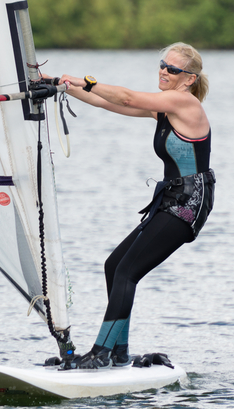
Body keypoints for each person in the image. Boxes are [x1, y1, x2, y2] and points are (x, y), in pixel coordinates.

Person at [49, 42, 215, 369]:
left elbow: (126, 96)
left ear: (189, 79)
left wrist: (85, 80)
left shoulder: (184, 102)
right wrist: (61, 86)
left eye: (173, 69)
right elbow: (110, 104)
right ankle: (119, 351)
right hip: (170, 200)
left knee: (127, 271)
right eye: (162, 65)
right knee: (115, 266)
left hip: (188, 205)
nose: (164, 72)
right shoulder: (165, 107)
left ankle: (100, 352)